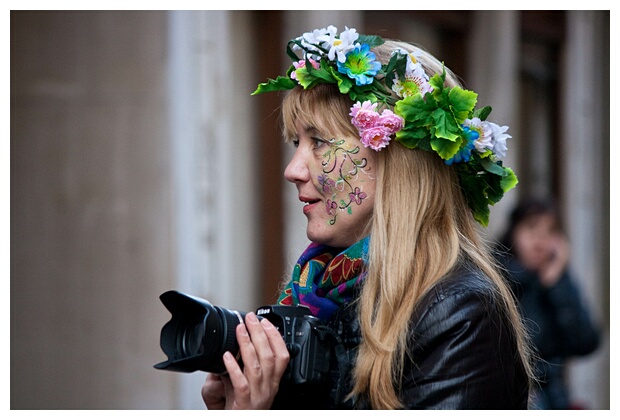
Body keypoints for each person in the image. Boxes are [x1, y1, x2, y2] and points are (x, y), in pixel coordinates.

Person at [201, 25, 535, 409]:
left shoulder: (459, 312)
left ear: (394, 159)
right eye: (298, 143)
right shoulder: (321, 290)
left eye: (320, 142)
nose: (293, 169)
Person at [499, 197, 600, 409]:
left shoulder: (555, 280)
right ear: (513, 232)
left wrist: (555, 284)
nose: (540, 242)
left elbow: (587, 341)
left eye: (549, 232)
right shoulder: (498, 279)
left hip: (554, 399)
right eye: (532, 230)